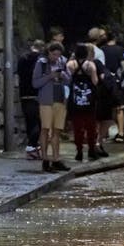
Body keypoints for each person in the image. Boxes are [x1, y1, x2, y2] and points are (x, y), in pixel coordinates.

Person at [32, 42, 70, 172]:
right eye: (54, 54)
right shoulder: (41, 63)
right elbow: (35, 83)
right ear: (48, 53)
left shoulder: (63, 62)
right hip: (46, 101)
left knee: (57, 130)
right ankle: (45, 159)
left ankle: (56, 158)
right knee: (45, 129)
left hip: (60, 99)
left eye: (58, 55)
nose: (56, 57)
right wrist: (50, 76)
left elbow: (69, 79)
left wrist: (63, 75)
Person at [66, 44, 101, 161]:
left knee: (77, 126)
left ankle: (79, 150)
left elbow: (67, 79)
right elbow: (95, 81)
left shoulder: (71, 64)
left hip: (75, 99)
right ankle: (91, 149)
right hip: (89, 100)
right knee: (91, 125)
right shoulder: (90, 65)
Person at [17, 40, 45, 160]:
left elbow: (19, 73)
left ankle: (33, 146)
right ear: (42, 48)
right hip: (37, 94)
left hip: (24, 93)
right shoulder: (41, 60)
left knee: (29, 121)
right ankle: (32, 146)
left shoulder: (22, 58)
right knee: (39, 122)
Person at [102, 31, 124, 143]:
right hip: (117, 81)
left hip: (105, 80)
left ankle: (104, 133)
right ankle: (121, 132)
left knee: (107, 108)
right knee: (119, 107)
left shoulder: (102, 50)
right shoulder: (120, 50)